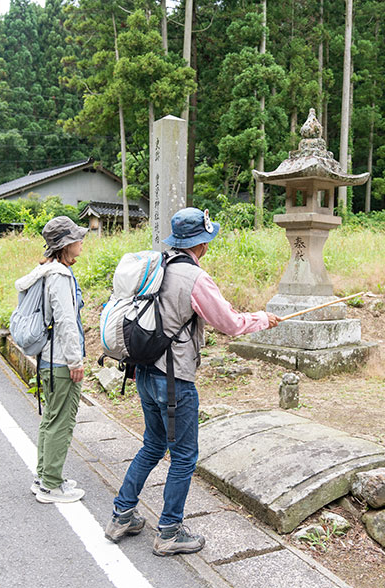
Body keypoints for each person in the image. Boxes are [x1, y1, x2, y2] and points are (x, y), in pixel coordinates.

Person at [105, 207, 280, 556]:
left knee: (153, 445)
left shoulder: (159, 266)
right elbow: (228, 322)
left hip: (143, 371)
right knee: (184, 455)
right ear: (201, 242)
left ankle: (121, 514)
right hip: (174, 380)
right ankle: (169, 531)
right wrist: (263, 318)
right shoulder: (195, 278)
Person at [15, 215, 88, 503]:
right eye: (77, 238)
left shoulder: (47, 271)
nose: (82, 242)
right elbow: (66, 322)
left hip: (48, 359)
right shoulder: (60, 276)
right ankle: (51, 486)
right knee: (61, 422)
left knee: (50, 419)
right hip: (60, 362)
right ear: (66, 245)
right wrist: (76, 361)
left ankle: (45, 476)